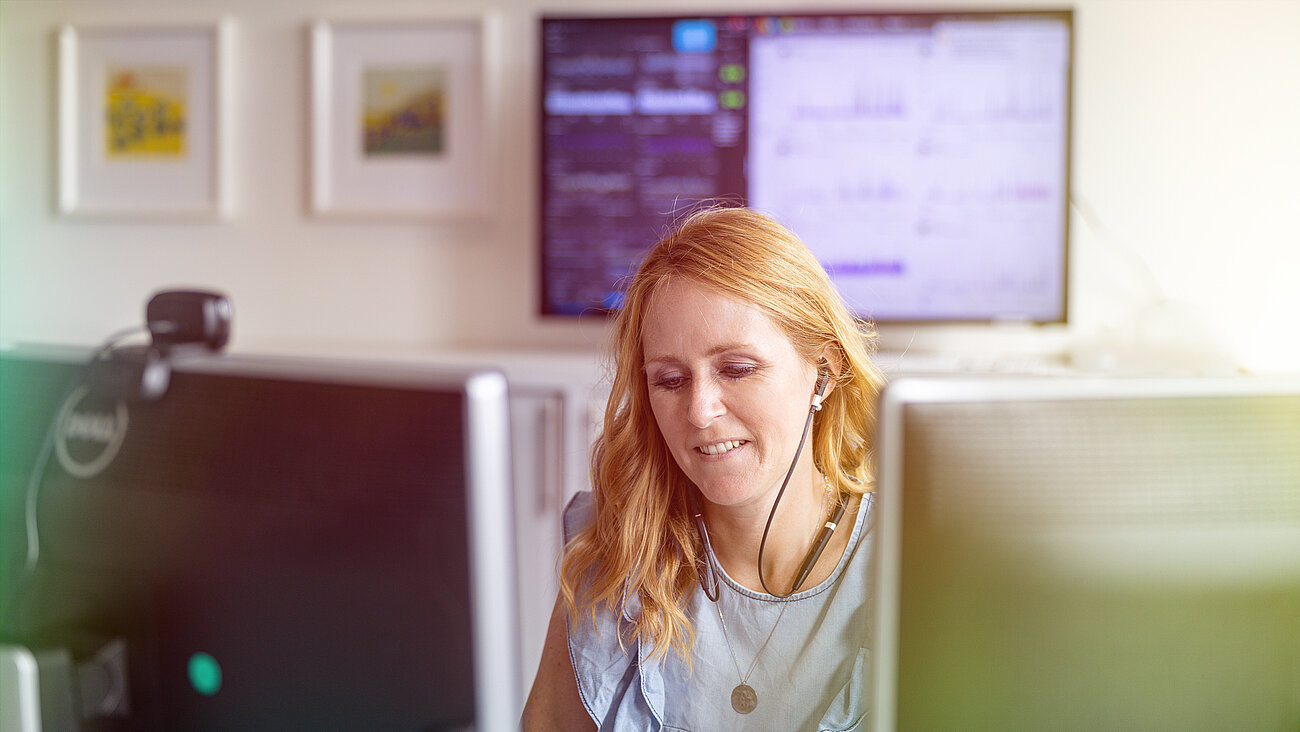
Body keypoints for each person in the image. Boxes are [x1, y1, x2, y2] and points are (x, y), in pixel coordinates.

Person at [522, 206, 886, 731]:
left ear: (824, 373)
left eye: (737, 370)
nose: (699, 411)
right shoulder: (615, 553)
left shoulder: (913, 563)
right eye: (669, 380)